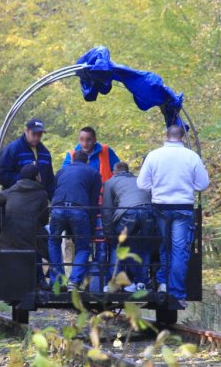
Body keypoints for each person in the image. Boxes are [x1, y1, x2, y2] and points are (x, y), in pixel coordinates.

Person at [137, 125, 209, 309]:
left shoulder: (154, 155)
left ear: (167, 136)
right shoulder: (192, 156)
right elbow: (202, 184)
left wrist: (159, 186)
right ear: (183, 137)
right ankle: (176, 293)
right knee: (179, 250)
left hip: (160, 207)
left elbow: (142, 184)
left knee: (164, 246)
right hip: (183, 208)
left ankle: (162, 284)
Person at [61, 127, 121, 286]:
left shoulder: (106, 151)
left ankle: (99, 280)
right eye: (82, 139)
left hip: (103, 203)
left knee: (102, 242)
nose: (85, 143)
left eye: (88, 139)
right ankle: (81, 279)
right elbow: (66, 175)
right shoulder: (72, 154)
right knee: (81, 242)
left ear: (94, 140)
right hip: (80, 205)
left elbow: (117, 170)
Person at [48, 150, 102, 290]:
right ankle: (74, 281)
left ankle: (57, 282)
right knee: (83, 247)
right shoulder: (93, 173)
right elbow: (93, 202)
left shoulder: (61, 171)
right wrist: (90, 228)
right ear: (87, 161)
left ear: (72, 159)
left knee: (53, 241)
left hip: (57, 209)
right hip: (79, 210)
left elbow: (55, 191)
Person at [0, 163, 50, 285]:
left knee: (36, 239)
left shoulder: (11, 191)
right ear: (36, 177)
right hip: (30, 237)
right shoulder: (42, 194)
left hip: (8, 237)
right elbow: (44, 219)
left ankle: (38, 278)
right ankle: (45, 278)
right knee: (46, 240)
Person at [102, 162, 154, 292]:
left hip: (128, 213)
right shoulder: (137, 179)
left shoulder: (110, 182)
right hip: (148, 212)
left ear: (114, 172)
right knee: (144, 247)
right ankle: (141, 282)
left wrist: (108, 233)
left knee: (117, 245)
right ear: (128, 170)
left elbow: (107, 209)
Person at [0, 118, 55, 198]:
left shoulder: (45, 153)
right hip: (16, 199)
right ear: (26, 131)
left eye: (39, 135)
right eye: (34, 134)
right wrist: (24, 180)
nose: (36, 138)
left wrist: (53, 199)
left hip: (39, 201)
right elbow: (2, 175)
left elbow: (50, 179)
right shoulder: (13, 149)